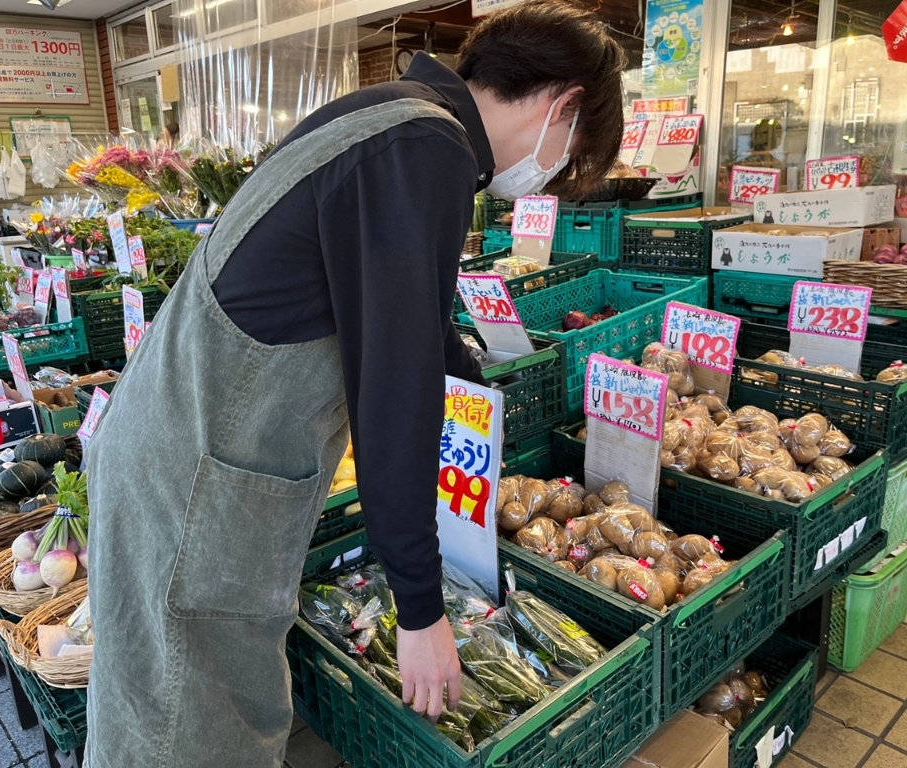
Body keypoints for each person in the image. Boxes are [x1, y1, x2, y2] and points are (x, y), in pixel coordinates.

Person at [82, 2, 625, 766]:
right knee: (192, 729)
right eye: (567, 159)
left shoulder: (396, 119)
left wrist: (478, 392)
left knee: (169, 709)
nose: (552, 176)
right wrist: (420, 610)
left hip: (182, 460)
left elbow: (402, 314)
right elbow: (392, 393)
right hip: (195, 489)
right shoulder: (423, 148)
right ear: (563, 107)